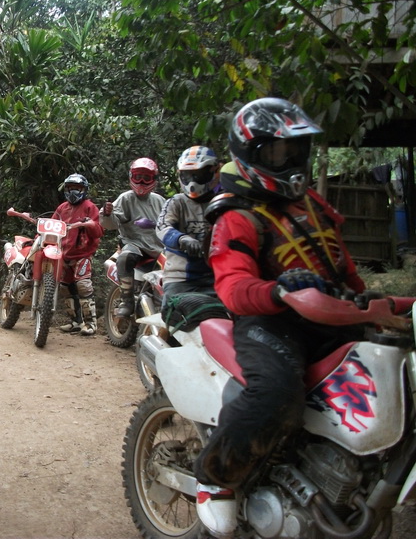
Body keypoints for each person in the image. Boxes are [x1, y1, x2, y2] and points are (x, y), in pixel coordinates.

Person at [193, 98, 367, 538]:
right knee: (276, 393)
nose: (289, 160)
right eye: (276, 151)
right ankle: (215, 477)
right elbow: (233, 287)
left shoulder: (312, 206)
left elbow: (343, 268)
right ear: (250, 153)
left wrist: (369, 301)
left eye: (295, 150)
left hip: (331, 312)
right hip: (270, 321)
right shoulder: (237, 215)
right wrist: (279, 290)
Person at [99, 158, 166, 318]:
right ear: (131, 177)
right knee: (125, 257)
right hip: (134, 243)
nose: (141, 182)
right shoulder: (126, 198)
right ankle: (126, 300)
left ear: (154, 179)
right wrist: (107, 214)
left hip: (158, 248)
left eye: (146, 178)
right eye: (138, 177)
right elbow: (112, 223)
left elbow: (170, 222)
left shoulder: (160, 200)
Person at [155, 146, 221, 300]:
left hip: (218, 274)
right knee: (174, 309)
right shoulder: (177, 202)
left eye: (198, 175)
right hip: (180, 277)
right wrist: (182, 239)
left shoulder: (222, 202)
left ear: (213, 172)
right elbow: (163, 226)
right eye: (187, 175)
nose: (192, 181)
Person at [54, 173, 104, 336]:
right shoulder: (62, 208)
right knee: (65, 288)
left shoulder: (90, 207)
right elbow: (52, 225)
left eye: (78, 188)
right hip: (64, 254)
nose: (74, 192)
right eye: (70, 188)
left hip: (82, 254)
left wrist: (88, 224)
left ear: (84, 190)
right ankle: (75, 322)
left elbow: (98, 231)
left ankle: (91, 324)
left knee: (83, 286)